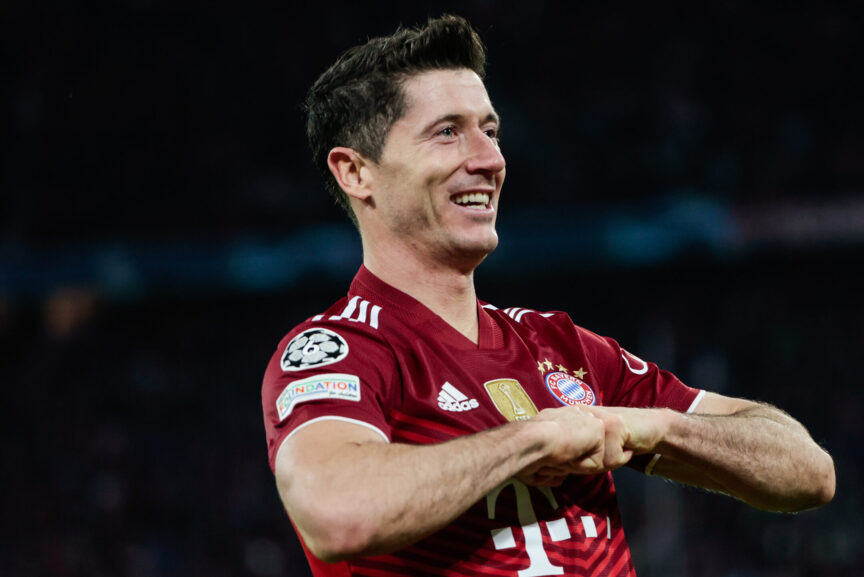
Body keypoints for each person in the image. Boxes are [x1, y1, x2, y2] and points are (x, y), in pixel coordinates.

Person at [261, 14, 835, 576]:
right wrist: (534, 439)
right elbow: (336, 514)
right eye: (446, 131)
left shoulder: (559, 345)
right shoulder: (341, 349)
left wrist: (654, 430)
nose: (489, 159)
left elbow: (809, 474)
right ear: (355, 172)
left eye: (490, 131)